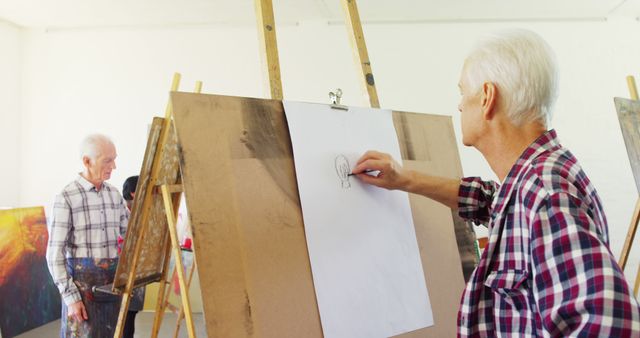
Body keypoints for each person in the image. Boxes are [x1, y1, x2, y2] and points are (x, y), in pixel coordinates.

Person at [352, 29, 640, 336]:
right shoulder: (536, 178)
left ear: (487, 97)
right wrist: (403, 178)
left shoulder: (546, 193)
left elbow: (612, 325)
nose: (460, 105)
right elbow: (493, 201)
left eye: (463, 92)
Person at [46, 134, 128, 337]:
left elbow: (129, 236)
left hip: (111, 287)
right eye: (108, 160)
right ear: (86, 161)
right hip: (81, 290)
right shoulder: (66, 197)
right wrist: (71, 297)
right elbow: (54, 255)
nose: (114, 166)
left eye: (114, 159)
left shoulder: (114, 194)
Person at [120, 175, 145, 338]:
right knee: (124, 316)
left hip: (136, 269)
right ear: (135, 193)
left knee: (131, 314)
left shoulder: (141, 211)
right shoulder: (122, 211)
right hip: (122, 271)